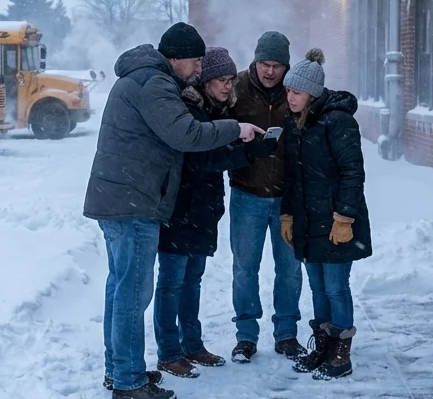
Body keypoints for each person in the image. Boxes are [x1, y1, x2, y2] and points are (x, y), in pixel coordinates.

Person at [84, 23, 263, 399]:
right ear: (176, 58)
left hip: (120, 197)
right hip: (132, 201)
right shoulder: (155, 83)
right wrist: (237, 128)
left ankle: (119, 368)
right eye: (196, 60)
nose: (199, 68)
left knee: (121, 288)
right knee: (133, 291)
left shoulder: (144, 77)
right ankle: (129, 380)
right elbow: (186, 135)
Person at [154, 47, 280, 378]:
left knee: (191, 280)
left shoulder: (213, 109)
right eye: (222, 80)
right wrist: (248, 153)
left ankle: (192, 344)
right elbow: (201, 158)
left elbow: (216, 153)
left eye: (229, 80)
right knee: (171, 283)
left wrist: (246, 147)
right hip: (179, 208)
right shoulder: (189, 109)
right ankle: (168, 352)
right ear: (206, 80)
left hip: (200, 209)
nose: (228, 86)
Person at [278, 49, 371, 380]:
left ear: (312, 93)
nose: (290, 97)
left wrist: (345, 218)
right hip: (308, 220)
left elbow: (352, 172)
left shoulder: (339, 121)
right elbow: (291, 176)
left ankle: (341, 353)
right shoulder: (295, 124)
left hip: (334, 221)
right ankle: (323, 347)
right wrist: (287, 215)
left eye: (296, 92)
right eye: (288, 91)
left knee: (335, 286)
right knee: (317, 287)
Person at [227, 31, 305, 363]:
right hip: (248, 193)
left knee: (289, 268)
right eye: (264, 64)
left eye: (277, 66)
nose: (270, 72)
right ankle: (246, 335)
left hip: (287, 197)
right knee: (245, 268)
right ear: (255, 61)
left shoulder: (295, 91)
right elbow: (219, 130)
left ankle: (286, 334)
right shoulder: (238, 89)